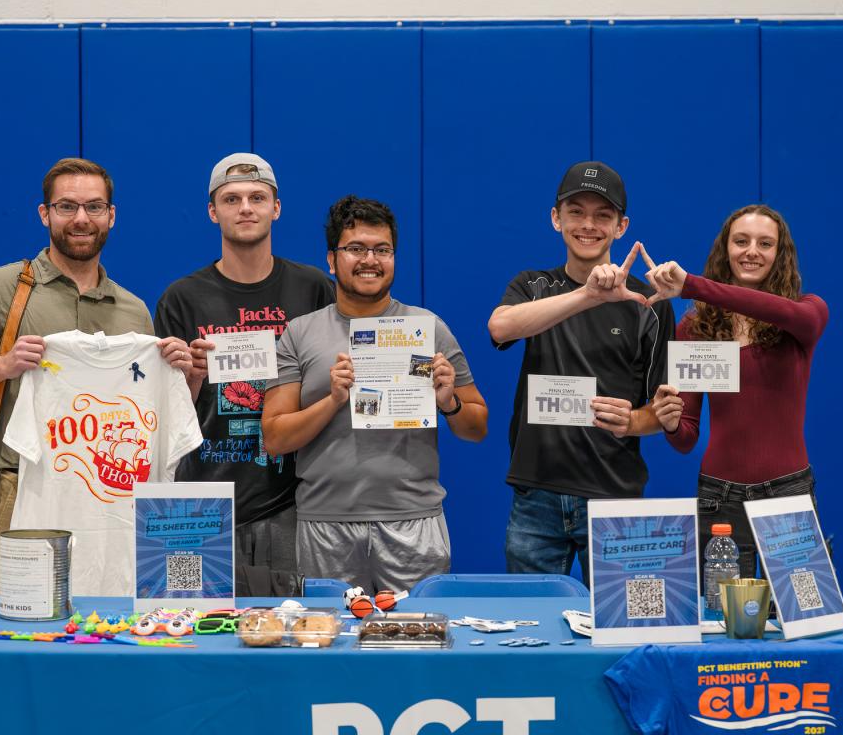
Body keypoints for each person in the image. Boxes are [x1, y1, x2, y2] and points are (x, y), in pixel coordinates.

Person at [0, 157, 194, 594]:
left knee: (116, 634)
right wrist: (4, 365)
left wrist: (184, 373)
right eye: (67, 206)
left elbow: (156, 419)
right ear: (44, 214)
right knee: (29, 636)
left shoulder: (133, 311)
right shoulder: (4, 287)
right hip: (26, 494)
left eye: (94, 207)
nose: (81, 218)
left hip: (116, 504)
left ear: (112, 216)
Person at [261, 195, 488, 593]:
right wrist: (332, 399)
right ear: (332, 260)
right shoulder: (300, 332)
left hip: (413, 521)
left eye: (382, 250)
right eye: (356, 249)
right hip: (325, 523)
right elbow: (275, 438)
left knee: (418, 644)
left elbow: (477, 427)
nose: (370, 260)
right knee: (330, 645)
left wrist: (448, 401)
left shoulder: (426, 328)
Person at [487, 160, 673, 577]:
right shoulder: (533, 286)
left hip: (614, 497)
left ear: (621, 227)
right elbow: (500, 326)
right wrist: (588, 295)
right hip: (536, 494)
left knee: (619, 634)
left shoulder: (648, 302)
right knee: (529, 630)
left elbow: (663, 413)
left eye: (602, 215)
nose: (588, 225)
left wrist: (632, 421)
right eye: (576, 212)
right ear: (556, 219)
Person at [154, 153, 334, 574]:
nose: (246, 207)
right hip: (199, 500)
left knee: (286, 629)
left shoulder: (313, 289)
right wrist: (193, 378)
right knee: (192, 627)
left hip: (291, 501)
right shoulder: (181, 297)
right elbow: (162, 410)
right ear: (213, 212)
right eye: (232, 199)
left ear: (276, 207)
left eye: (257, 197)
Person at [642, 204, 828, 579]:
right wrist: (671, 422)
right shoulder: (695, 326)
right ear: (725, 250)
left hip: (788, 493)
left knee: (801, 621)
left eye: (765, 243)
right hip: (719, 498)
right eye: (741, 241)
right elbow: (686, 438)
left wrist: (692, 285)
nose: (752, 251)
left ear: (781, 254)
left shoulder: (806, 313)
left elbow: (791, 315)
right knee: (723, 622)